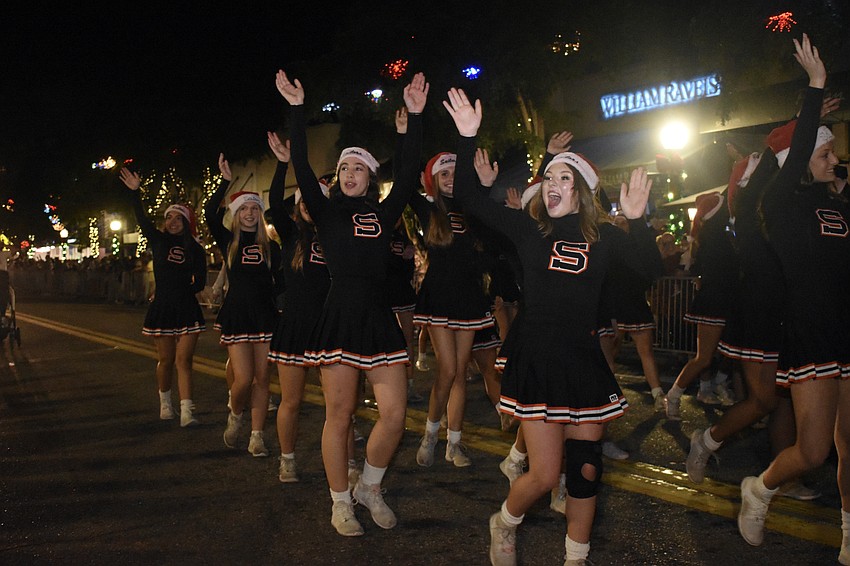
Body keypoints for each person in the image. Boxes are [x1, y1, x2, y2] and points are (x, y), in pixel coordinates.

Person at [443, 87, 662, 566]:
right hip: (538, 361)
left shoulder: (604, 238)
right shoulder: (529, 230)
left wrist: (640, 221)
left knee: (585, 468)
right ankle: (504, 521)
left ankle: (575, 557)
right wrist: (465, 138)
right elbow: (465, 197)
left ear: (582, 190)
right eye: (550, 176)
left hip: (583, 362)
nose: (555, 181)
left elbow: (648, 268)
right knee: (543, 477)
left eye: (566, 175)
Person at [276, 69, 428, 537]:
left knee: (395, 416)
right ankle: (340, 501)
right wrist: (297, 110)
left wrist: (415, 120)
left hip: (378, 316)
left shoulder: (385, 212)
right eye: (343, 168)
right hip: (339, 315)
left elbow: (407, 174)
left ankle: (370, 486)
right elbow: (301, 163)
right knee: (338, 416)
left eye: (357, 167)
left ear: (370, 177)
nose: (348, 173)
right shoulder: (324, 211)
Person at [735, 36, 849, 562]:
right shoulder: (779, 204)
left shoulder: (839, 206)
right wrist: (814, 90)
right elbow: (797, 148)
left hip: (846, 332)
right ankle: (760, 488)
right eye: (826, 153)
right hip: (810, 334)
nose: (834, 160)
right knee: (813, 450)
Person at [409, 146, 496, 469]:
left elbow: (493, 230)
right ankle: (431, 433)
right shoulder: (427, 209)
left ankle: (454, 443)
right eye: (443, 174)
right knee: (447, 369)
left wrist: (485, 187)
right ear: (432, 180)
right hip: (439, 298)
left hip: (469, 299)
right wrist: (409, 134)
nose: (449, 179)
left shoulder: (472, 209)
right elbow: (404, 185)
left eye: (455, 174)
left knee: (459, 372)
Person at [264, 131, 332, 482]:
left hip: (329, 328)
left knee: (339, 408)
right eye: (303, 201)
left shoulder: (334, 236)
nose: (308, 205)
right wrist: (281, 164)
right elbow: (275, 201)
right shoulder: (290, 235)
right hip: (294, 327)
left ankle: (347, 462)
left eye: (314, 201)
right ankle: (287, 458)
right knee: (291, 401)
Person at [204, 153, 281, 457]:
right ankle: (235, 416)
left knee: (263, 379)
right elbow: (210, 213)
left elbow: (281, 281)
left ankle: (257, 435)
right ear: (236, 214)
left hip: (264, 315)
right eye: (244, 209)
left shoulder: (271, 246)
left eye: (254, 208)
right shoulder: (228, 240)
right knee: (244, 379)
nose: (249, 213)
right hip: (238, 314)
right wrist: (224, 182)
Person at [118, 167, 207, 427]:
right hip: (163, 307)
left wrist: (182, 291)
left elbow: (200, 281)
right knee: (166, 360)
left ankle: (188, 410)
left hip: (187, 307)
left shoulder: (196, 249)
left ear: (186, 222)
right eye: (169, 218)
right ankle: (166, 403)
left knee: (184, 360)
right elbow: (142, 219)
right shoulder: (157, 240)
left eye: (179, 219)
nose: (173, 222)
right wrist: (135, 193)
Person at [664, 190, 738, 420]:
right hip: (713, 301)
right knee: (704, 357)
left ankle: (714, 385)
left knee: (732, 350)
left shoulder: (716, 237)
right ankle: (674, 395)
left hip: (723, 299)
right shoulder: (716, 239)